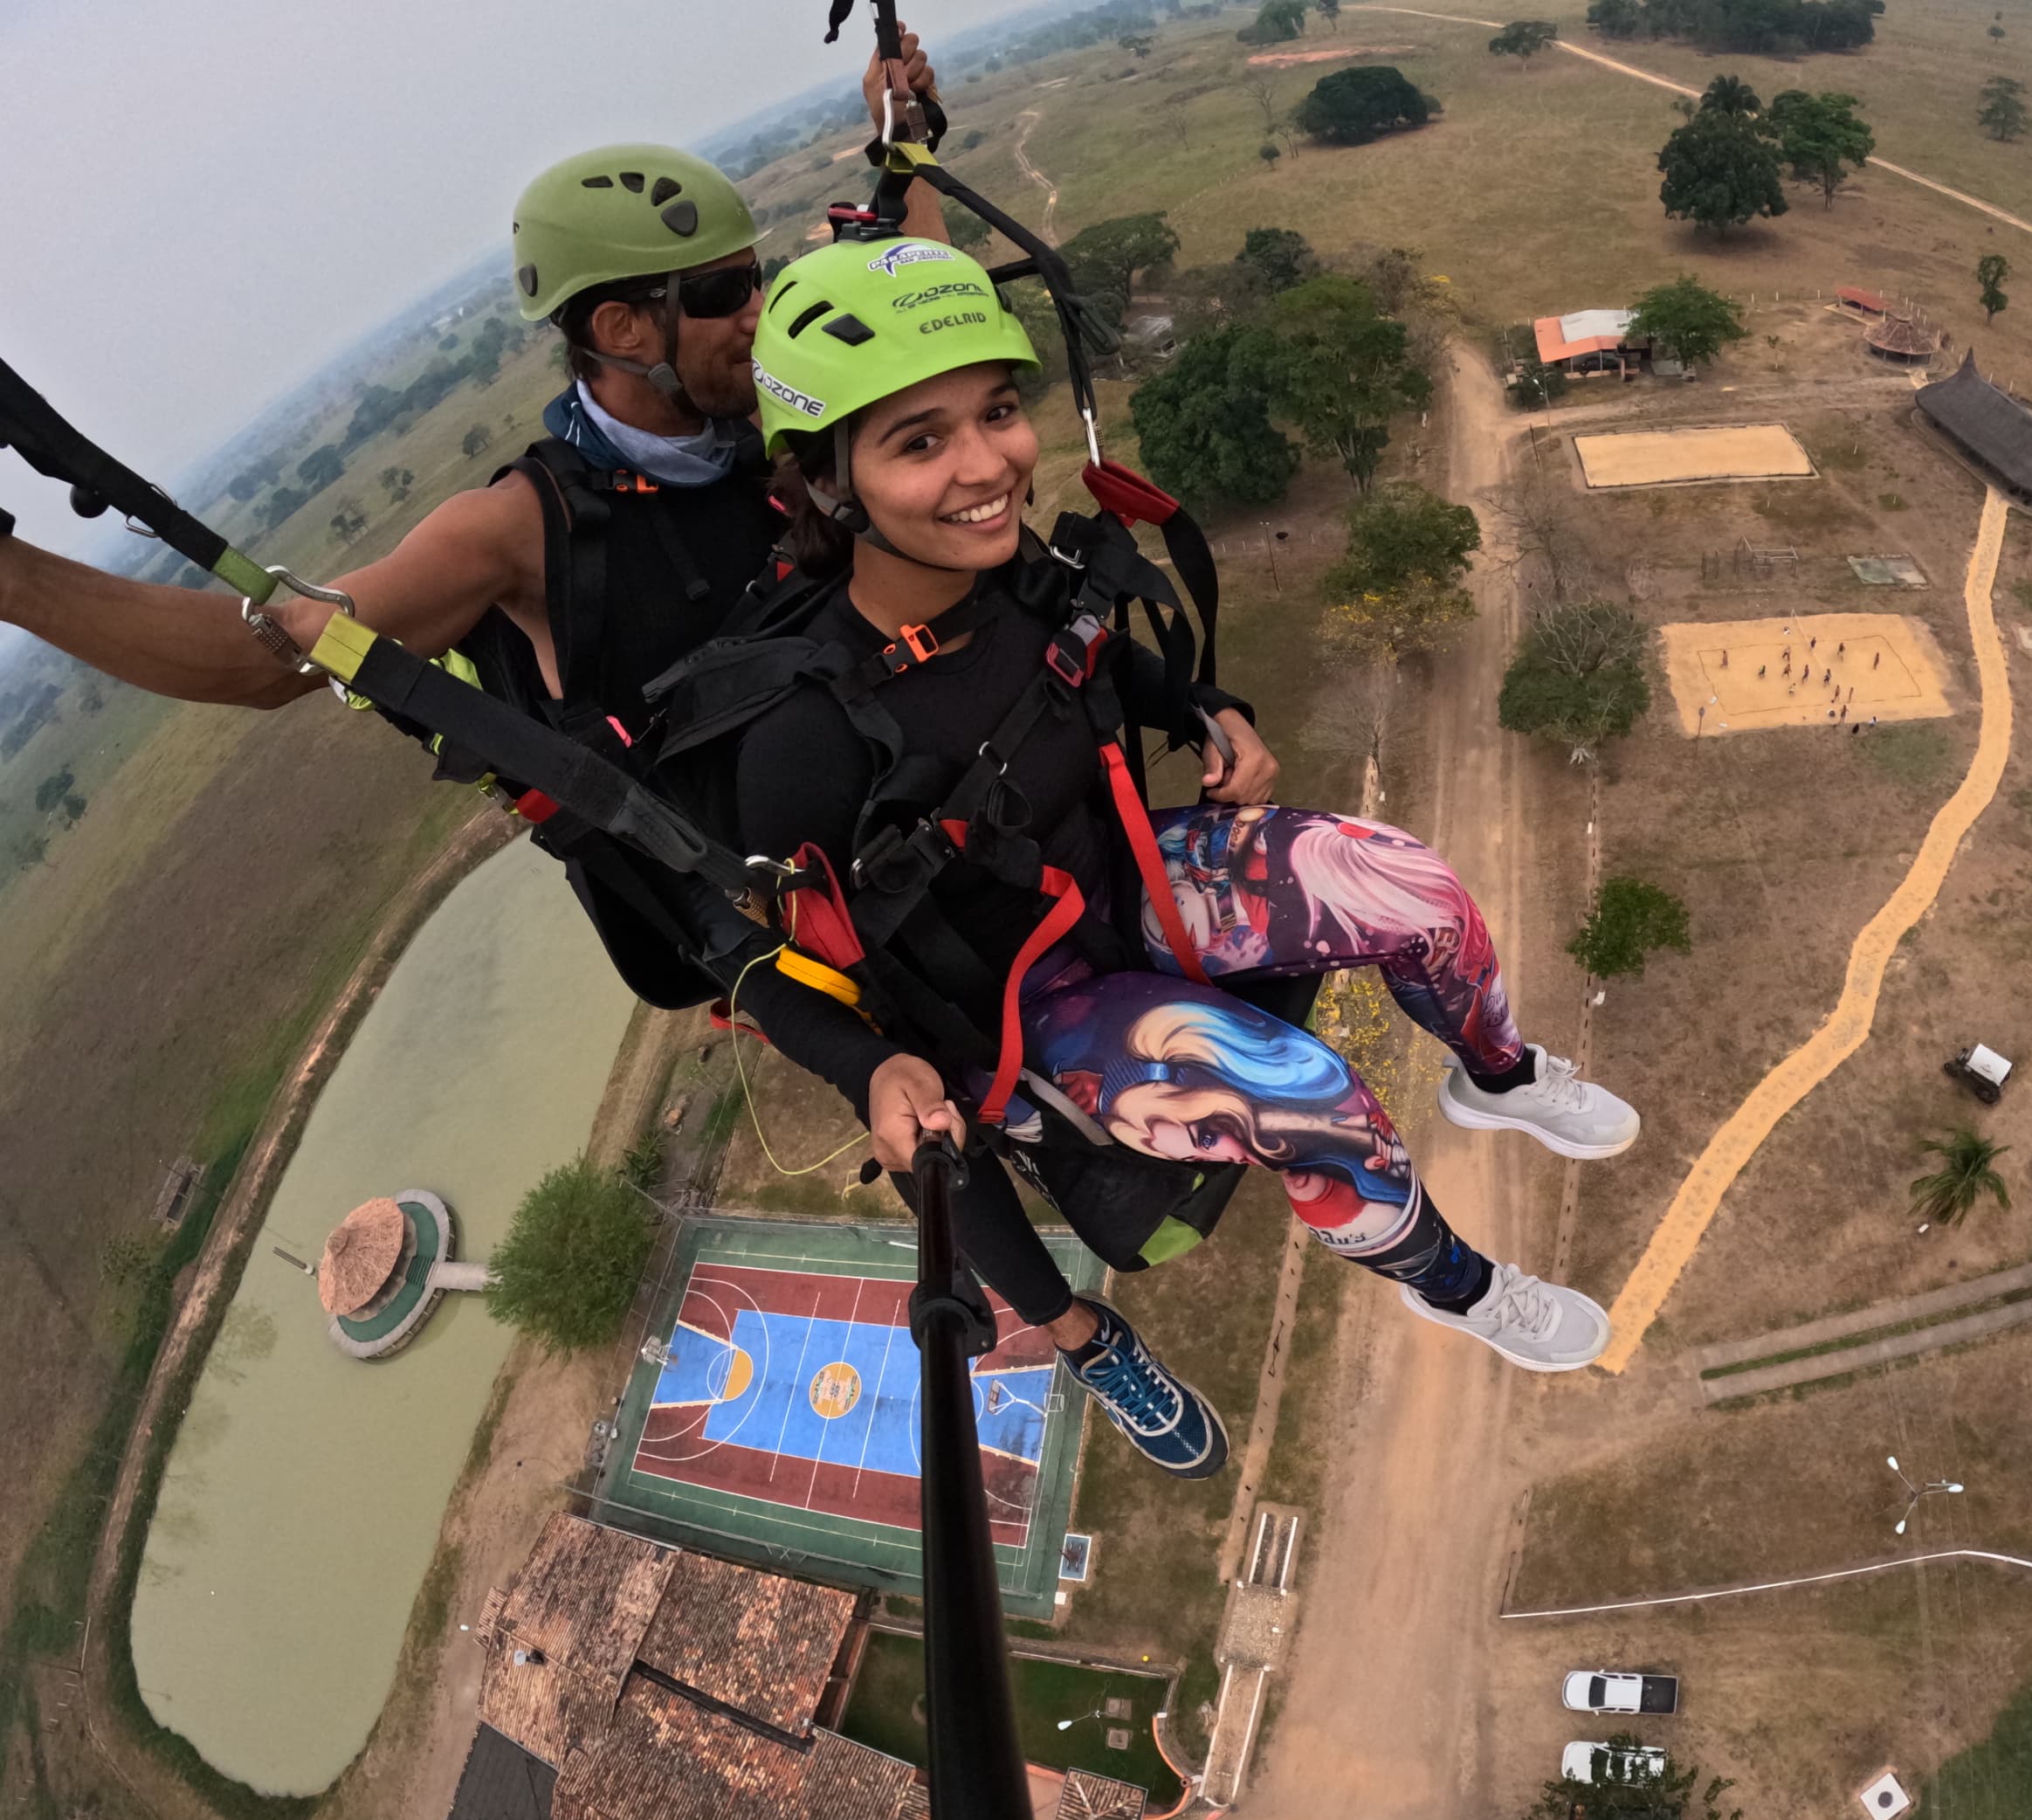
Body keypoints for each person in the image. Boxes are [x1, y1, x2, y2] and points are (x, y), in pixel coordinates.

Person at [661, 238, 1642, 1482]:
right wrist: (874, 1069)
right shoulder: (803, 740)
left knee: (1417, 889)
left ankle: (1497, 1077)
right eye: (920, 441)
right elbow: (759, 954)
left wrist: (1205, 711)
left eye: (998, 414)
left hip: (1127, 882)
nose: (986, 467)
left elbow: (1092, 661)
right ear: (832, 480)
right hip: (1022, 1005)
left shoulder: (1011, 569)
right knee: (1313, 1097)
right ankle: (1448, 1286)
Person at [0, 31, 940, 726]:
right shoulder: (525, 529)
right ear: (620, 326)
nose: (757, 309)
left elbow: (920, 348)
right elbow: (266, 660)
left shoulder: (764, 392)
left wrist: (905, 142)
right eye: (725, 290)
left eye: (756, 277)